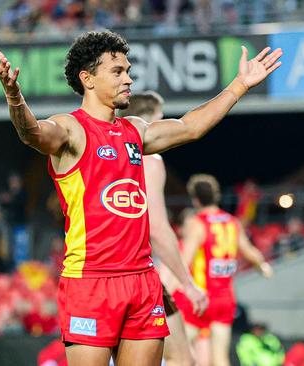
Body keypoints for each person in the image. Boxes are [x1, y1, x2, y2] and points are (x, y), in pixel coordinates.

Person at [0, 30, 282, 366]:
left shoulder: (135, 130)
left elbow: (190, 127)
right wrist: (15, 97)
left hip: (142, 281)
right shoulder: (70, 129)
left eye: (128, 70)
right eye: (117, 72)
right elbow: (33, 133)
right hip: (91, 282)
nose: (128, 79)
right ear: (87, 79)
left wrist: (239, 87)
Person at [118, 90, 208, 366]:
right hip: (137, 275)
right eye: (161, 116)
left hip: (96, 276)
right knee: (181, 358)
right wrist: (188, 284)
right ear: (152, 119)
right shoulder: (148, 157)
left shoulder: (102, 151)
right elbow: (156, 228)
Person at [174, 174, 274, 366]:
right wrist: (263, 266)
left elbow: (182, 261)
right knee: (220, 359)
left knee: (180, 354)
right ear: (217, 196)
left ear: (195, 198)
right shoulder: (232, 222)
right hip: (225, 299)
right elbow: (250, 252)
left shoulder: (197, 223)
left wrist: (169, 289)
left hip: (201, 299)